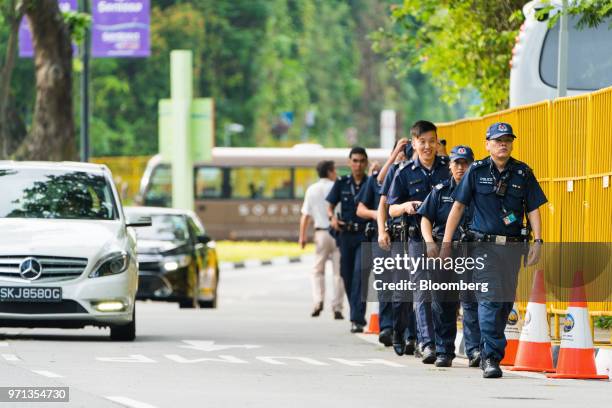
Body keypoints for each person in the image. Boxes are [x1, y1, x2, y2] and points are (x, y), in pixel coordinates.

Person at [442, 122, 547, 378]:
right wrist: (446, 242)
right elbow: (457, 207)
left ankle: (490, 349)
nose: (504, 144)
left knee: (504, 302)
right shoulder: (476, 172)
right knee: (488, 300)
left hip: (512, 249)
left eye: (508, 140)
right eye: (498, 140)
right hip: (483, 247)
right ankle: (491, 357)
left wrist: (538, 241)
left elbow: (533, 208)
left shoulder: (523, 173)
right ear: (487, 144)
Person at [387, 120, 450, 364]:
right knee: (422, 290)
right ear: (413, 143)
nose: (427, 146)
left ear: (437, 142)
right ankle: (428, 344)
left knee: (444, 292)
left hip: (446, 240)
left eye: (431, 141)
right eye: (421, 142)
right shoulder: (404, 172)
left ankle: (444, 344)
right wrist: (404, 206)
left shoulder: (448, 168)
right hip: (416, 240)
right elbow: (391, 208)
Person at [418, 145, 481, 368]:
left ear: (473, 165)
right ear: (450, 165)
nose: (461, 167)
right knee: (442, 302)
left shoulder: (480, 191)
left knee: (470, 300)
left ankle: (475, 351)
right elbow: (425, 218)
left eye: (465, 163)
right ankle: (444, 351)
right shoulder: (440, 189)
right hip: (443, 252)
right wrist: (428, 243)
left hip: (470, 250)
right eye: (457, 163)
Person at [356, 139, 407, 346]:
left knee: (403, 285)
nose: (404, 154)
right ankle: (386, 327)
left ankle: (402, 330)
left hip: (405, 237)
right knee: (385, 282)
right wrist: (395, 154)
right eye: (400, 151)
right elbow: (379, 182)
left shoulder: (412, 174)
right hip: (383, 235)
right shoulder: (384, 175)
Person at [326, 147, 369, 333]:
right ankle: (355, 312)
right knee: (347, 275)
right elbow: (330, 205)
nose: (358, 165)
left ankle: (357, 319)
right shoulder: (342, 182)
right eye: (355, 161)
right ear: (349, 163)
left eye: (361, 161)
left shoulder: (371, 183)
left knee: (360, 274)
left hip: (364, 235)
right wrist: (332, 218)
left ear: (365, 163)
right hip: (345, 235)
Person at [299, 160, 345, 319]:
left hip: (321, 234)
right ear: (330, 172)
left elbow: (305, 216)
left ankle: (318, 301)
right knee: (339, 273)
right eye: (335, 170)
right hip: (339, 232)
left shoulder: (312, 189)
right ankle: (337, 307)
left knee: (317, 271)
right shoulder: (338, 186)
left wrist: (302, 237)